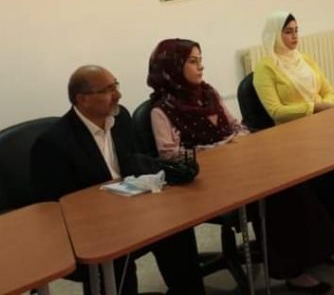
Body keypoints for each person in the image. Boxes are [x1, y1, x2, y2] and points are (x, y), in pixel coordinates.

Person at [148, 39, 334, 293]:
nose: (201, 67)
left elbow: (236, 126)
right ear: (173, 67)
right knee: (273, 194)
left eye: (200, 60)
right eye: (192, 61)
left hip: (236, 168)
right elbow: (170, 154)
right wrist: (220, 148)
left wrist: (238, 140)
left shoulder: (208, 94)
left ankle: (325, 251)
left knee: (289, 181)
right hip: (204, 184)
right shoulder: (161, 110)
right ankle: (299, 267)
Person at [31, 65, 206, 295]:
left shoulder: (120, 118)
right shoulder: (53, 144)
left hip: (130, 210)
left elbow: (132, 161)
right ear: (82, 99)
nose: (118, 95)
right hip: (93, 229)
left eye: (116, 86)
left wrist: (169, 171)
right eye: (108, 90)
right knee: (116, 257)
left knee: (176, 229)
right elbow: (55, 209)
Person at [253, 11, 334, 240]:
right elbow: (276, 111)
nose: (294, 36)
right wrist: (313, 107)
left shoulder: (304, 58)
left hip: (322, 125)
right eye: (288, 32)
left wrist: (326, 104)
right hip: (292, 136)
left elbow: (328, 91)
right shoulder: (265, 68)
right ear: (275, 35)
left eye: (296, 31)